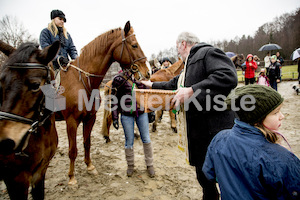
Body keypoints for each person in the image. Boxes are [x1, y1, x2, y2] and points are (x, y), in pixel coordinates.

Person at [142, 32, 238, 200]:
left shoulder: (207, 53)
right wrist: (150, 85)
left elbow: (227, 75)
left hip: (216, 131)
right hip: (199, 133)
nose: (177, 52)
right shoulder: (188, 67)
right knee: (204, 176)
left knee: (224, 177)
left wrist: (192, 91)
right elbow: (172, 84)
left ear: (183, 44)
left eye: (177, 47)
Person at [202, 85, 300, 200]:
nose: (282, 116)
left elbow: (210, 173)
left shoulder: (219, 139)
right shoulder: (282, 158)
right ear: (257, 118)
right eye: (276, 113)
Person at [111, 70, 155, 178]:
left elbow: (148, 95)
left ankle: (150, 165)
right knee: (129, 141)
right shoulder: (119, 79)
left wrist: (151, 111)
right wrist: (115, 117)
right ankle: (130, 165)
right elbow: (114, 99)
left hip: (141, 113)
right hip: (126, 114)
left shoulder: (141, 76)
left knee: (146, 139)